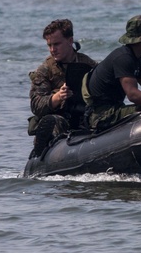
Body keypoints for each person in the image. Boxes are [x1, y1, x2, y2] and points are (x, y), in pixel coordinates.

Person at [28, 19, 97, 155]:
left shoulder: (89, 66)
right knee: (52, 122)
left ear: (70, 41)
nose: (53, 50)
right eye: (49, 45)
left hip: (84, 117)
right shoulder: (45, 70)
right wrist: (57, 97)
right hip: (60, 119)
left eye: (57, 44)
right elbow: (36, 105)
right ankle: (42, 153)